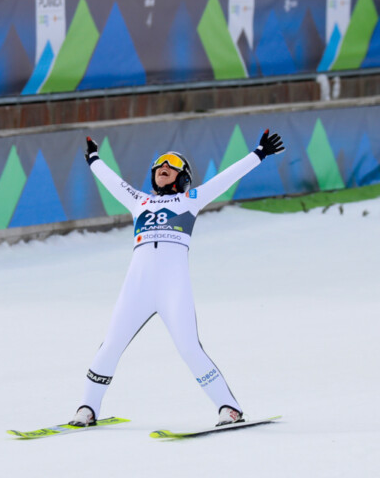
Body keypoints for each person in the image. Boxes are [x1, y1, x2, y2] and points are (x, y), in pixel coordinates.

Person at [69, 130, 285, 427]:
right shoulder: (139, 201)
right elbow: (113, 183)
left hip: (173, 288)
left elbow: (224, 179)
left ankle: (229, 407)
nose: (162, 170)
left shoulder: (191, 200)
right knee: (110, 345)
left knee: (188, 347)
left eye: (170, 167)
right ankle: (87, 408)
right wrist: (94, 159)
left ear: (182, 178)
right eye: (158, 168)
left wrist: (258, 154)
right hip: (138, 287)